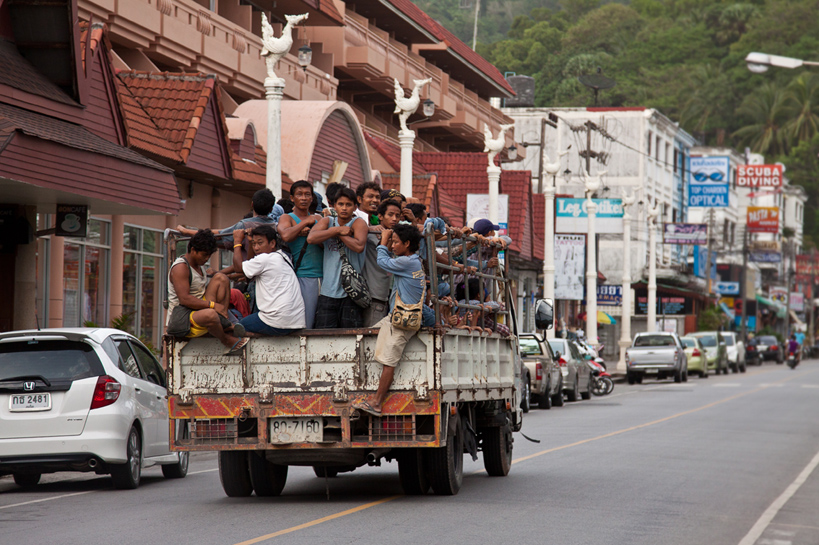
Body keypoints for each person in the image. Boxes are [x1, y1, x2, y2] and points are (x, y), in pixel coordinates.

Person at [353, 224, 425, 417]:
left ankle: (376, 402)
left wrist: (383, 241)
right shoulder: (414, 261)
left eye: (396, 242)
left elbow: (383, 263)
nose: (393, 245)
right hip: (396, 317)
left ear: (407, 244)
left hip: (401, 323)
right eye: (392, 241)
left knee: (389, 362)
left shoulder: (409, 263)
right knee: (367, 336)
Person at [166, 229, 248, 354]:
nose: (206, 258)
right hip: (183, 317)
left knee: (222, 278)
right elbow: (185, 299)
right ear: (193, 250)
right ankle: (225, 339)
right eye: (204, 255)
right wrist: (213, 305)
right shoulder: (181, 268)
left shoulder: (199, 265)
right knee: (210, 314)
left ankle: (224, 320)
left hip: (199, 309)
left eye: (209, 255)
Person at [308, 187, 368, 328]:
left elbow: (359, 246)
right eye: (340, 204)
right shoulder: (327, 221)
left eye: (348, 204)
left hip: (351, 294)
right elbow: (311, 238)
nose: (344, 208)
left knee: (351, 340)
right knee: (324, 339)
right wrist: (336, 230)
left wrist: (339, 234)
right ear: (334, 206)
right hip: (327, 292)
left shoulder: (358, 222)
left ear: (355, 207)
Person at [229, 224, 305, 336]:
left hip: (276, 321)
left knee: (237, 327)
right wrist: (250, 242)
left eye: (260, 243)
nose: (256, 248)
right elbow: (250, 264)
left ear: (273, 243)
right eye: (254, 244)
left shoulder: (266, 259)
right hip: (295, 322)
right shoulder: (283, 257)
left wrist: (237, 242)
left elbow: (238, 267)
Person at [278, 180, 323, 328]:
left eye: (307, 195)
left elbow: (325, 242)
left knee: (323, 324)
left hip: (325, 277)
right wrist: (305, 223)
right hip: (303, 276)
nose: (303, 198)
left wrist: (312, 233)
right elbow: (285, 235)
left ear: (312, 198)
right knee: (306, 323)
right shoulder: (287, 218)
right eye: (299, 194)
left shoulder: (320, 219)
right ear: (292, 198)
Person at [363, 199, 402, 326]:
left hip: (389, 296)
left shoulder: (397, 237)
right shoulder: (372, 234)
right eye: (390, 215)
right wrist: (369, 228)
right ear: (380, 216)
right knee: (372, 336)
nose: (394, 219)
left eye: (397, 215)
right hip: (375, 294)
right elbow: (383, 251)